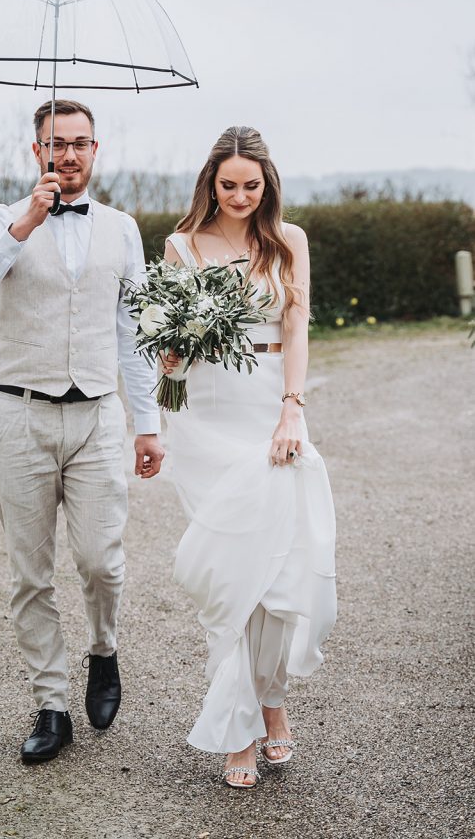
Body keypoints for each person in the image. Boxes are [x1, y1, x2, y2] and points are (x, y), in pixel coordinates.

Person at [0, 99, 164, 765]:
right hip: (19, 411)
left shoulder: (122, 229)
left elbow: (132, 332)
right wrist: (26, 223)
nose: (67, 154)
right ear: (35, 151)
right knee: (30, 573)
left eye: (79, 143)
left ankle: (103, 652)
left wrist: (147, 424)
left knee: (101, 560)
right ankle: (51, 704)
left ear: (95, 151)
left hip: (97, 415)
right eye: (55, 144)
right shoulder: (1, 221)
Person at [160, 126, 336, 790]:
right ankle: (238, 728)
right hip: (204, 417)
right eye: (227, 184)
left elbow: (296, 326)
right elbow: (169, 348)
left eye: (249, 185)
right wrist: (169, 356)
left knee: (276, 567)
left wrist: (293, 406)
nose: (237, 195)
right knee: (233, 571)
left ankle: (269, 702)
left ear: (267, 186)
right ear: (210, 183)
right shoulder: (181, 246)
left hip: (268, 409)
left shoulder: (287, 241)